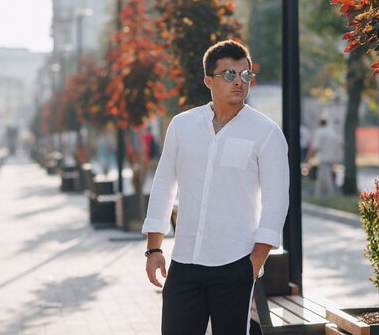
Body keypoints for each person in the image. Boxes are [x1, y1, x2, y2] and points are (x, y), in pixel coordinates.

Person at [142, 39, 290, 335]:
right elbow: (163, 185)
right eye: (229, 74)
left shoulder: (266, 132)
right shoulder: (182, 125)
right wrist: (154, 248)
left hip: (235, 263)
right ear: (209, 80)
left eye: (245, 74)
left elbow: (276, 201)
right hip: (185, 262)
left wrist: (255, 261)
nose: (239, 81)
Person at [309, 118, 340, 197]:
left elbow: (316, 146)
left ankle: (330, 193)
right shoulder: (332, 132)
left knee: (326, 177)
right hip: (332, 157)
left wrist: (310, 157)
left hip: (323, 157)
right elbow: (337, 146)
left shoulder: (319, 132)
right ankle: (319, 193)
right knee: (323, 176)